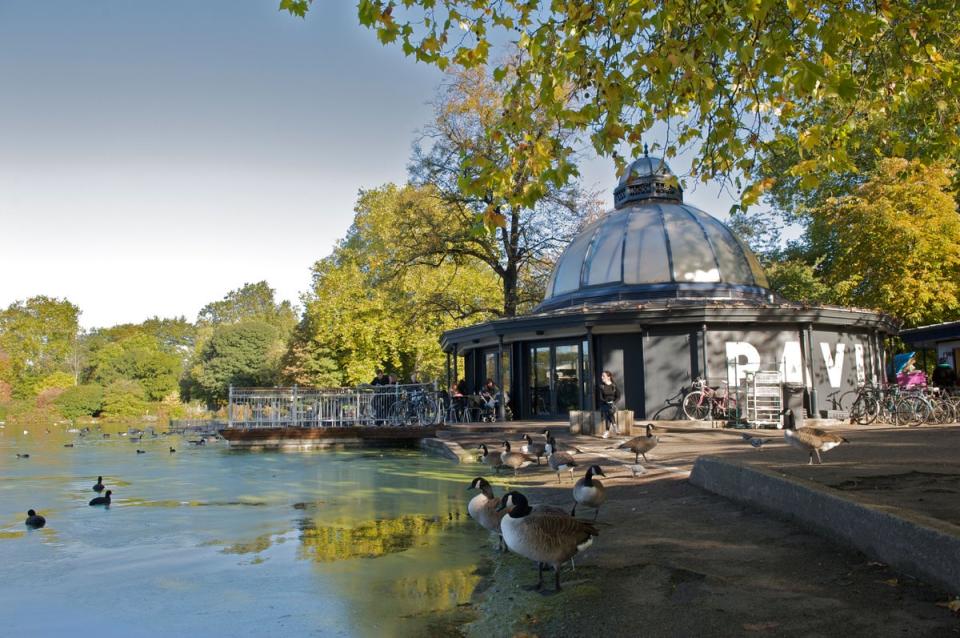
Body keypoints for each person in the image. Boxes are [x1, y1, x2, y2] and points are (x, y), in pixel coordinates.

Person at [599, 370, 621, 439]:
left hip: (613, 405)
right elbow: (601, 397)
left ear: (608, 377)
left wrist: (613, 402)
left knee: (609, 411)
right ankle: (614, 426)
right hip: (604, 405)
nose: (602, 377)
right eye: (602, 376)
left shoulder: (614, 386)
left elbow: (618, 396)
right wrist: (606, 402)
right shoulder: (601, 386)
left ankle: (607, 431)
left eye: (603, 376)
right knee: (608, 411)